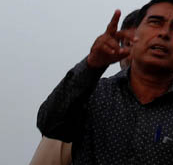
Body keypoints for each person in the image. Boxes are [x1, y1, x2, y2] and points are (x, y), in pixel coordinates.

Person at [37, 0, 173, 164]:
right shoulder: (92, 94)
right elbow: (49, 124)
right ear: (133, 37)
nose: (164, 33)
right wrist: (91, 64)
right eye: (155, 23)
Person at [29, 9, 142, 165]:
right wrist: (91, 65)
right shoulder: (86, 102)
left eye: (145, 43)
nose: (136, 52)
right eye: (129, 44)